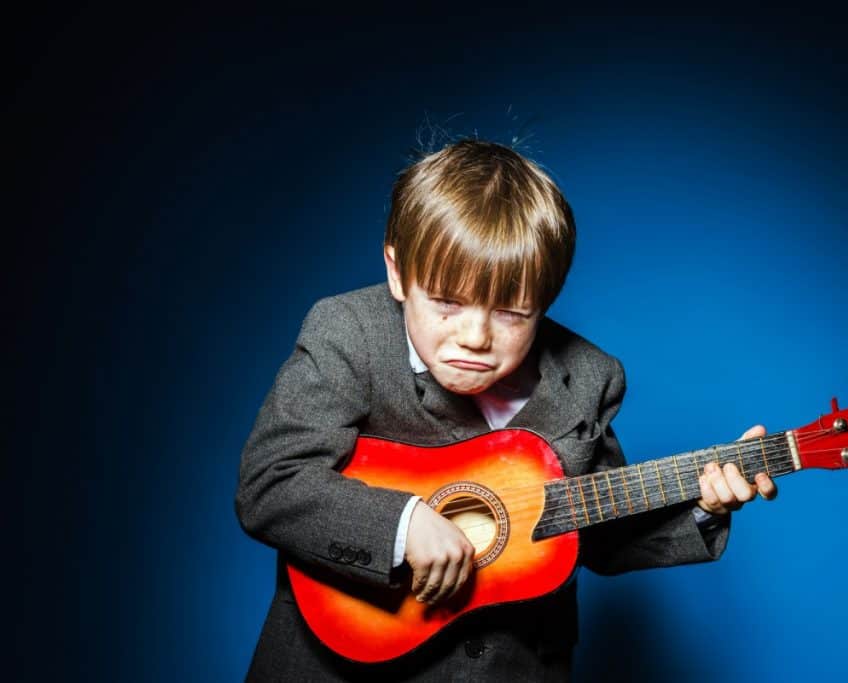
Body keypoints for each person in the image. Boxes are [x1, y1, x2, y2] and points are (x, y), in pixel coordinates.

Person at [235, 138, 777, 681]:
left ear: (546, 298)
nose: (475, 336)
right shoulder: (349, 334)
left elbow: (598, 537)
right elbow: (271, 481)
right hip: (339, 669)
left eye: (512, 312)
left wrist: (703, 503)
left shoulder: (589, 378)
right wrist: (403, 525)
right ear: (398, 273)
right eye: (447, 302)